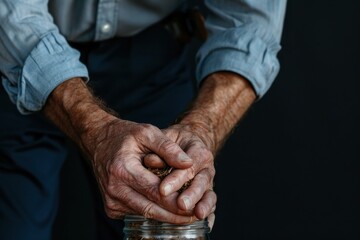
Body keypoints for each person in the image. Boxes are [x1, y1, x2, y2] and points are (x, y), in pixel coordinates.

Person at [0, 0, 287, 239]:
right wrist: (99, 131)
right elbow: (13, 15)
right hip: (16, 61)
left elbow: (251, 22)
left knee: (162, 219)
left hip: (153, 60)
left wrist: (202, 129)